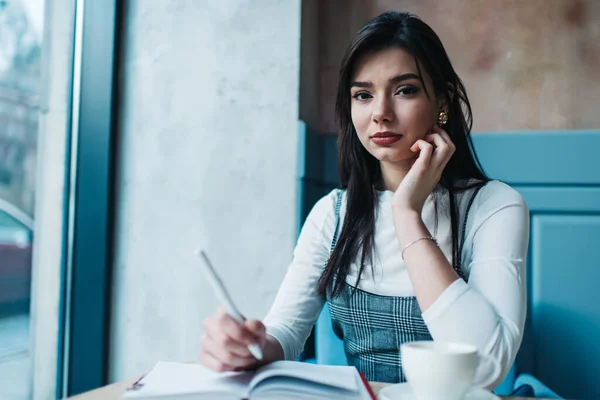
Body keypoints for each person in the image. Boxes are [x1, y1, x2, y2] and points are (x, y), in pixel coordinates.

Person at [198, 11, 529, 388]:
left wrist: (406, 215)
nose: (380, 113)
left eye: (405, 89)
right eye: (363, 95)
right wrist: (247, 348)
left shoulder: (494, 207)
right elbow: (286, 331)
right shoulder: (332, 215)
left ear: (443, 102)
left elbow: (486, 369)